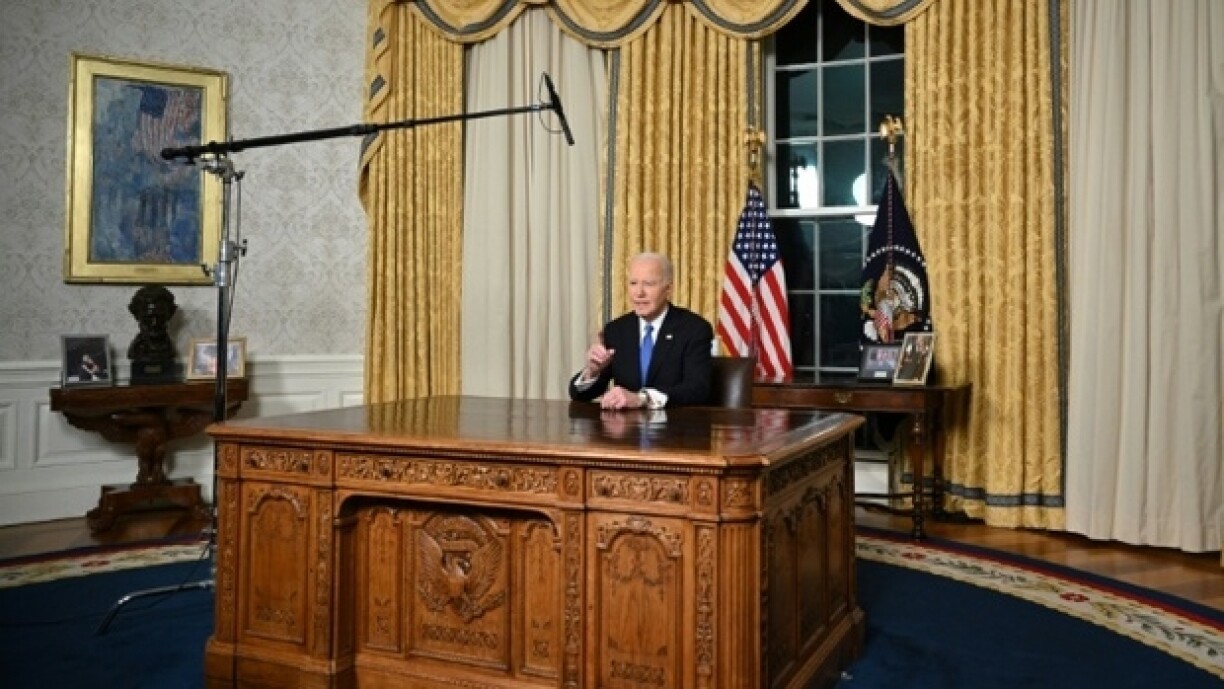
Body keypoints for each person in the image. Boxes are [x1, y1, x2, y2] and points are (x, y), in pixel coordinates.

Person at [569, 252, 713, 409]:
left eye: (649, 284)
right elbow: (579, 395)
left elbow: (698, 389)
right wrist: (592, 372)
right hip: (624, 430)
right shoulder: (617, 330)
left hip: (674, 427)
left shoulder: (694, 329)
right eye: (633, 283)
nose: (639, 293)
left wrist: (642, 398)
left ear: (668, 288)